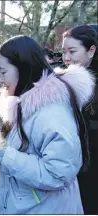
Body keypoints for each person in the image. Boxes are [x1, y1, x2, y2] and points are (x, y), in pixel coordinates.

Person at [0, 35, 95, 214]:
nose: (1, 80)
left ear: (23, 68)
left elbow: (57, 174)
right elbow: (26, 153)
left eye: (3, 72)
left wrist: (2, 157)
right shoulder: (27, 105)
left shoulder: (52, 113)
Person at [62, 24, 98, 215]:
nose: (66, 58)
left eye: (72, 51)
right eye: (63, 52)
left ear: (91, 50)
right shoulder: (67, 79)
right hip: (75, 163)